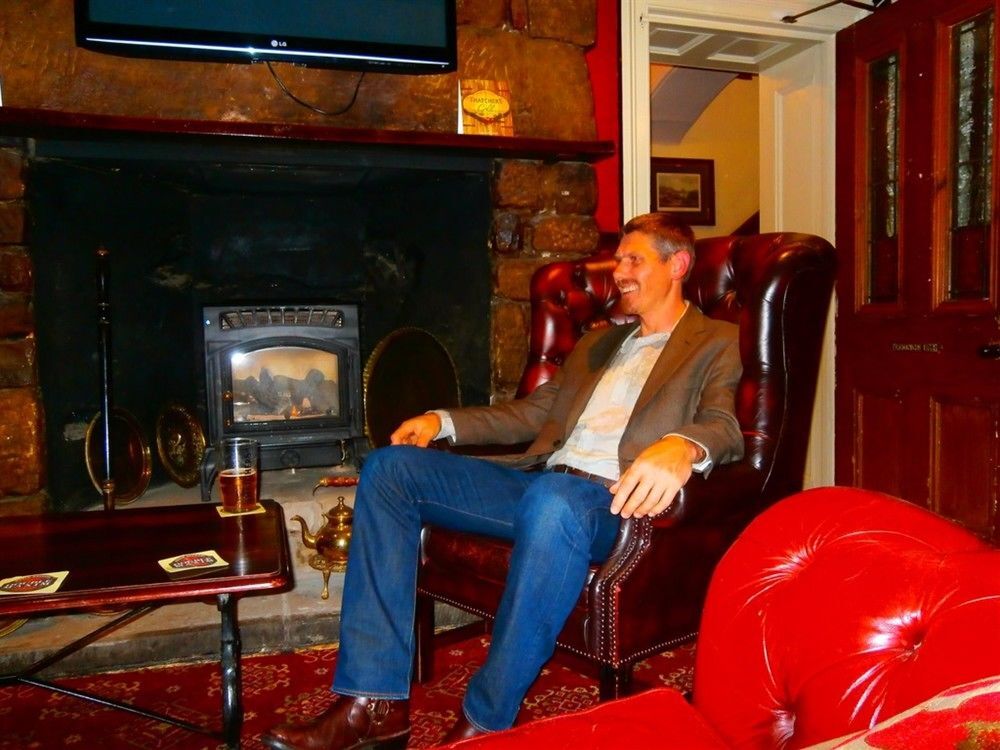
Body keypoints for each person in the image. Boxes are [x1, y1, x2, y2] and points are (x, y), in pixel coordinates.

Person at [261, 214, 744, 750]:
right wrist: (442, 421)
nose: (619, 273)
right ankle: (373, 706)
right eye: (618, 260)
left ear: (678, 265)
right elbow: (532, 414)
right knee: (390, 469)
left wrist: (683, 445)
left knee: (556, 501)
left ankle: (487, 720)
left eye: (635, 260)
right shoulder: (601, 343)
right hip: (542, 484)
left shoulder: (715, 341)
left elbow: (725, 425)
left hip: (609, 503)